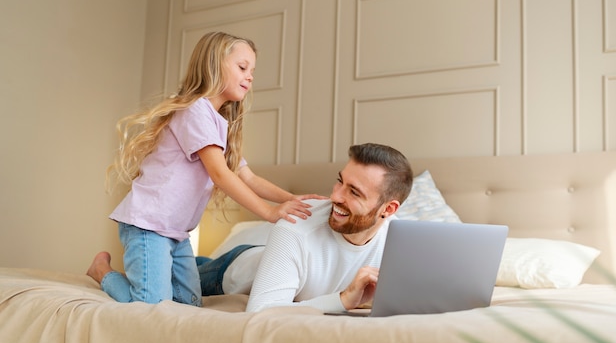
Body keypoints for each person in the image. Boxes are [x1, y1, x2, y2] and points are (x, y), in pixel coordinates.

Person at [86, 31, 322, 307]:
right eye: (242, 67)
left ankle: (153, 274)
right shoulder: (195, 111)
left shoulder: (217, 123)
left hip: (176, 232)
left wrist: (291, 200)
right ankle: (101, 271)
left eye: (252, 71)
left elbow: (248, 177)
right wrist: (269, 212)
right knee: (151, 307)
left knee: (189, 305)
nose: (250, 76)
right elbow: (221, 174)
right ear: (214, 64)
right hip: (149, 224)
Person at [196, 142, 414, 313]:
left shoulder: (400, 240)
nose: (335, 196)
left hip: (271, 260)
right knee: (181, 273)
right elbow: (261, 311)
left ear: (389, 209)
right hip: (227, 272)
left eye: (354, 192)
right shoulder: (296, 226)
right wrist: (342, 300)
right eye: (340, 182)